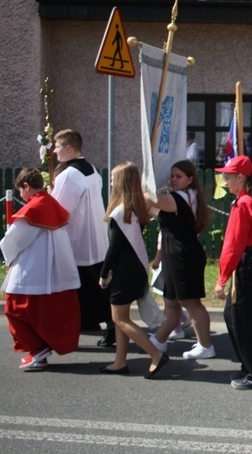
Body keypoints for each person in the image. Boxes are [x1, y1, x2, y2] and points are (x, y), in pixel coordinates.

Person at [0, 168, 81, 370]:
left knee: (14, 309)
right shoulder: (52, 204)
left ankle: (37, 349)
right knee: (48, 314)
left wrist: (7, 256)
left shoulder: (32, 209)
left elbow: (13, 241)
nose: (20, 195)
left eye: (20, 190)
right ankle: (40, 350)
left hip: (32, 270)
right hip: (56, 271)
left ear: (26, 186)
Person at [99, 162, 169, 378]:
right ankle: (120, 362)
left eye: (113, 179)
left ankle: (155, 354)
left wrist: (103, 274)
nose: (110, 182)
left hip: (124, 273)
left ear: (120, 182)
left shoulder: (120, 213)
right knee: (122, 319)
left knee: (120, 320)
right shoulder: (133, 211)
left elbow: (113, 249)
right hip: (134, 271)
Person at [145, 160, 215, 360]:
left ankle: (205, 346)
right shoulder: (186, 196)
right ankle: (160, 340)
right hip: (177, 255)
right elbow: (156, 211)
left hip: (183, 256)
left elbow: (147, 200)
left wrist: (139, 184)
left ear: (190, 179)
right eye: (172, 176)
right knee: (172, 303)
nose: (174, 180)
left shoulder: (178, 197)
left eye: (179, 176)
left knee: (191, 303)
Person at [215, 155, 252, 390]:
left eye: (228, 177)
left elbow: (233, 244)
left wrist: (222, 277)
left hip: (246, 264)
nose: (225, 181)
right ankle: (250, 363)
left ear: (240, 177)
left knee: (242, 318)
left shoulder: (243, 204)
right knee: (234, 314)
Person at [51, 129, 112, 344]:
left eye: (57, 146)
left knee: (88, 285)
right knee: (92, 284)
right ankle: (89, 320)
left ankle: (112, 325)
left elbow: (58, 210)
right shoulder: (92, 169)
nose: (54, 151)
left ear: (68, 148)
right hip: (95, 235)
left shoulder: (69, 175)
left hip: (78, 239)